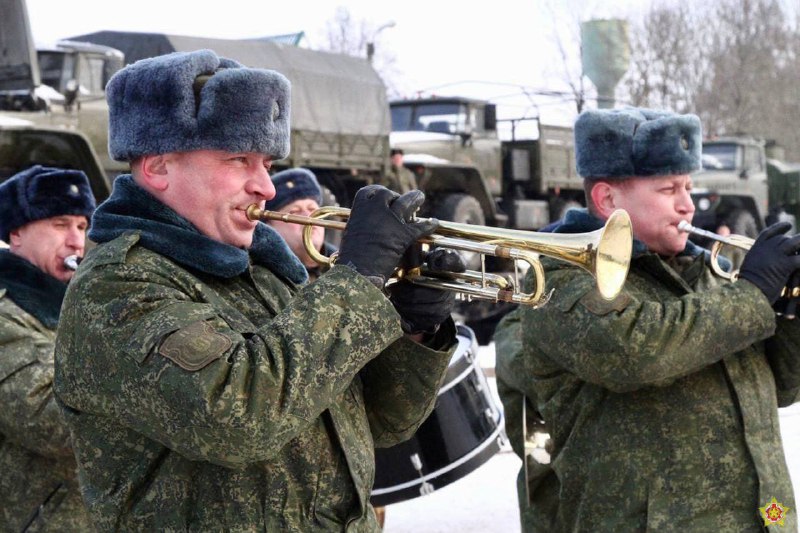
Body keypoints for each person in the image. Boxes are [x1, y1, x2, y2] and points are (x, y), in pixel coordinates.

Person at [53, 49, 460, 531]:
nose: (266, 187)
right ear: (158, 167)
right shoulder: (117, 286)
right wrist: (358, 282)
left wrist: (412, 329)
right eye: (239, 159)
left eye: (266, 162)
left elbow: (378, 423)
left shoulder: (264, 270)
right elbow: (241, 418)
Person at [495, 107, 800, 532]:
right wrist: (753, 294)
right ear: (608, 200)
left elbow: (779, 388)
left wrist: (791, 312)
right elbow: (636, 353)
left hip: (766, 519)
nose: (688, 204)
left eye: (689, 186)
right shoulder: (559, 282)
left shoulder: (710, 275)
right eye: (667, 189)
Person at [0, 165, 95, 531]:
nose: (75, 242)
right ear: (16, 232)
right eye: (59, 224)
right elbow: (49, 420)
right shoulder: (8, 314)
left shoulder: (85, 305)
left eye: (81, 227)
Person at [262, 167, 337, 281]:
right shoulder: (262, 273)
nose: (309, 216)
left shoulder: (344, 264)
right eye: (295, 212)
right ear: (269, 224)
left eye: (312, 209)